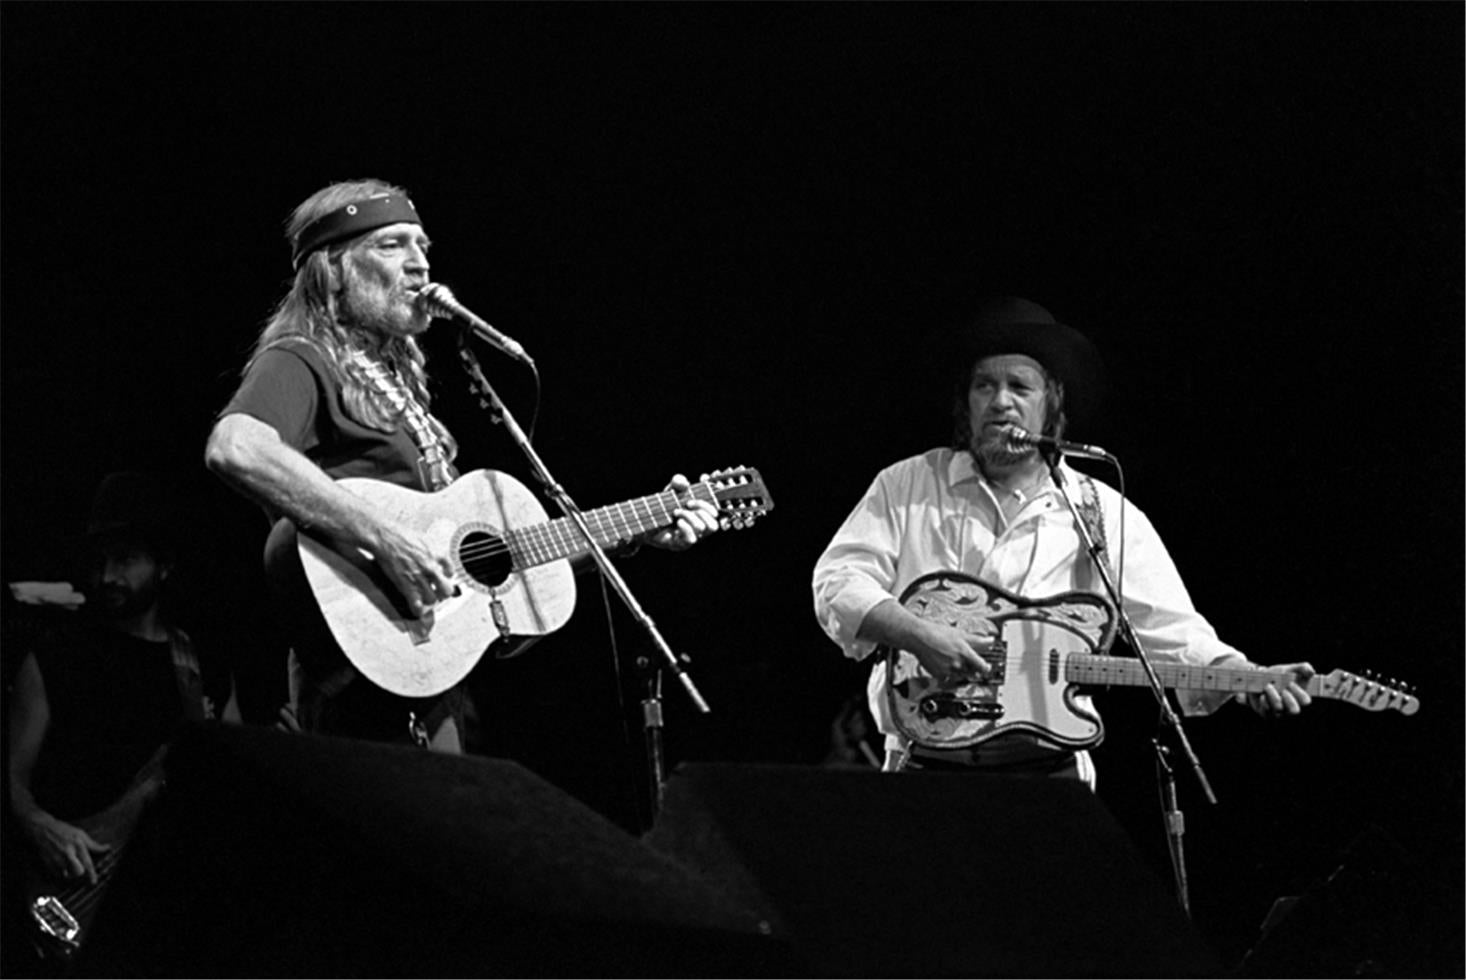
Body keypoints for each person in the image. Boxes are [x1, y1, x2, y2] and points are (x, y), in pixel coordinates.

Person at [204, 178, 719, 755]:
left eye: (422, 245)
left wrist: (632, 533)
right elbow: (237, 447)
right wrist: (386, 541)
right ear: (335, 268)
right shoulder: (301, 358)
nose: (420, 264)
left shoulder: (399, 390)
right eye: (392, 245)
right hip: (355, 681)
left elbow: (484, 564)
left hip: (428, 680)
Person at [811, 296, 1314, 785]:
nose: (1000, 401)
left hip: (1051, 776)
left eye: (1019, 387)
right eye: (984, 386)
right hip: (922, 764)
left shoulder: (1099, 509)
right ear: (966, 402)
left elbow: (1169, 629)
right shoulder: (908, 484)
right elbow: (838, 582)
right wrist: (919, 635)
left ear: (1052, 404)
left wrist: (1246, 677)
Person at [6, 471, 239, 960]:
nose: (108, 576)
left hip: (163, 908)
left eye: (126, 559)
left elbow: (226, 782)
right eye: (102, 561)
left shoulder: (199, 664)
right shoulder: (54, 654)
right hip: (64, 891)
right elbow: (11, 781)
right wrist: (38, 824)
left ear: (164, 565)